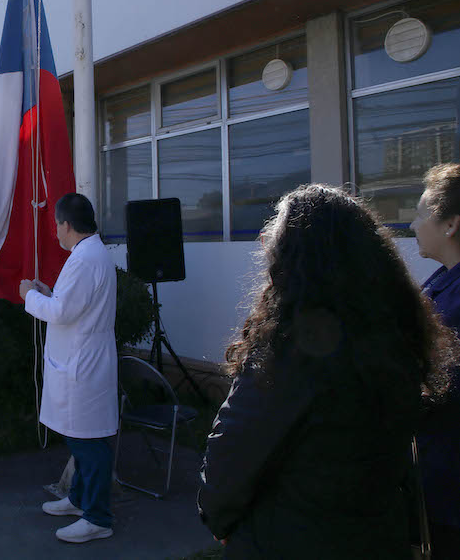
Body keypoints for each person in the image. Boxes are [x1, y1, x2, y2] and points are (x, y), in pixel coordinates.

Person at [197, 184, 460, 558]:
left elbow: (231, 455)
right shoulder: (395, 332)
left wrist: (220, 520)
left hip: (290, 541)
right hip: (378, 537)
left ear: (295, 260)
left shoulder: (288, 349)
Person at [20, 193, 117, 544]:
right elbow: (70, 302)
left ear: (65, 224)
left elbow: (62, 312)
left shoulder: (85, 258)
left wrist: (28, 296)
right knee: (81, 439)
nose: (55, 232)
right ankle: (79, 500)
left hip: (83, 362)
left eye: (56, 225)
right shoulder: (88, 253)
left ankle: (98, 516)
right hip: (82, 357)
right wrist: (47, 291)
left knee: (88, 442)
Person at [411, 163, 460, 558]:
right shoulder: (443, 280)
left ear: (451, 225)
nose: (413, 224)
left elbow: (440, 387)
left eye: (423, 212)